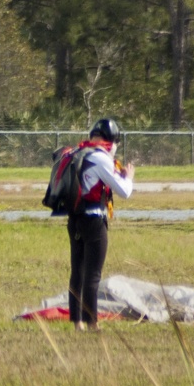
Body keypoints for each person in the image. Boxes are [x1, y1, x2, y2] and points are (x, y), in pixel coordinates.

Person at [68, 118, 135, 331]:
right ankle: (92, 323)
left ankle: (77, 322)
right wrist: (130, 177)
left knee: (77, 271)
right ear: (111, 140)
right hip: (94, 220)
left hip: (74, 219)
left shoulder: (78, 153)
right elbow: (124, 191)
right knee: (93, 274)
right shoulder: (101, 157)